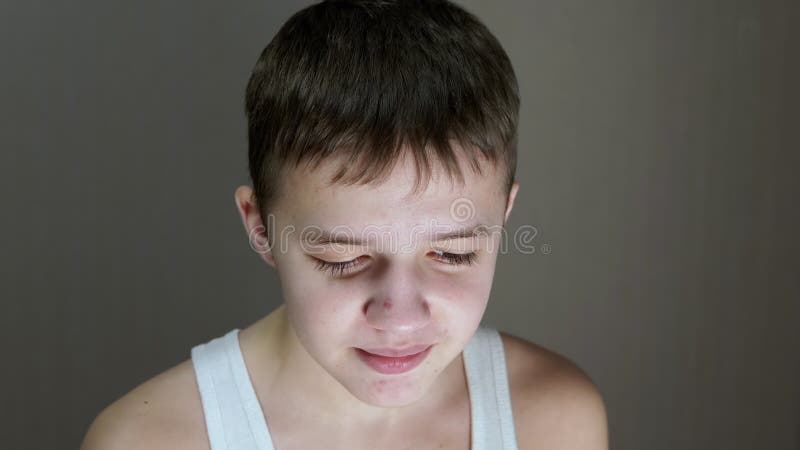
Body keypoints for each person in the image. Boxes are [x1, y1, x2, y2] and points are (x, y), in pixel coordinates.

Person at [80, 1, 608, 449]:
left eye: (454, 254)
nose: (399, 319)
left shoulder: (555, 420)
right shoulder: (147, 438)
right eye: (342, 258)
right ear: (260, 226)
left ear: (503, 220)